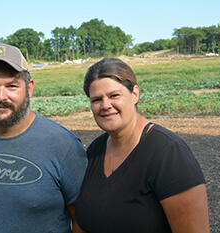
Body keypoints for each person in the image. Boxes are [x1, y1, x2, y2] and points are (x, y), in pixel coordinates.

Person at [0, 43, 88, 233]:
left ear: (29, 88)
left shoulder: (64, 146)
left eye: (12, 86)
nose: (1, 96)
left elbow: (82, 220)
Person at [75, 58, 210, 233]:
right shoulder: (96, 150)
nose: (105, 105)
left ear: (135, 94)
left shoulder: (167, 152)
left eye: (114, 95)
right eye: (96, 100)